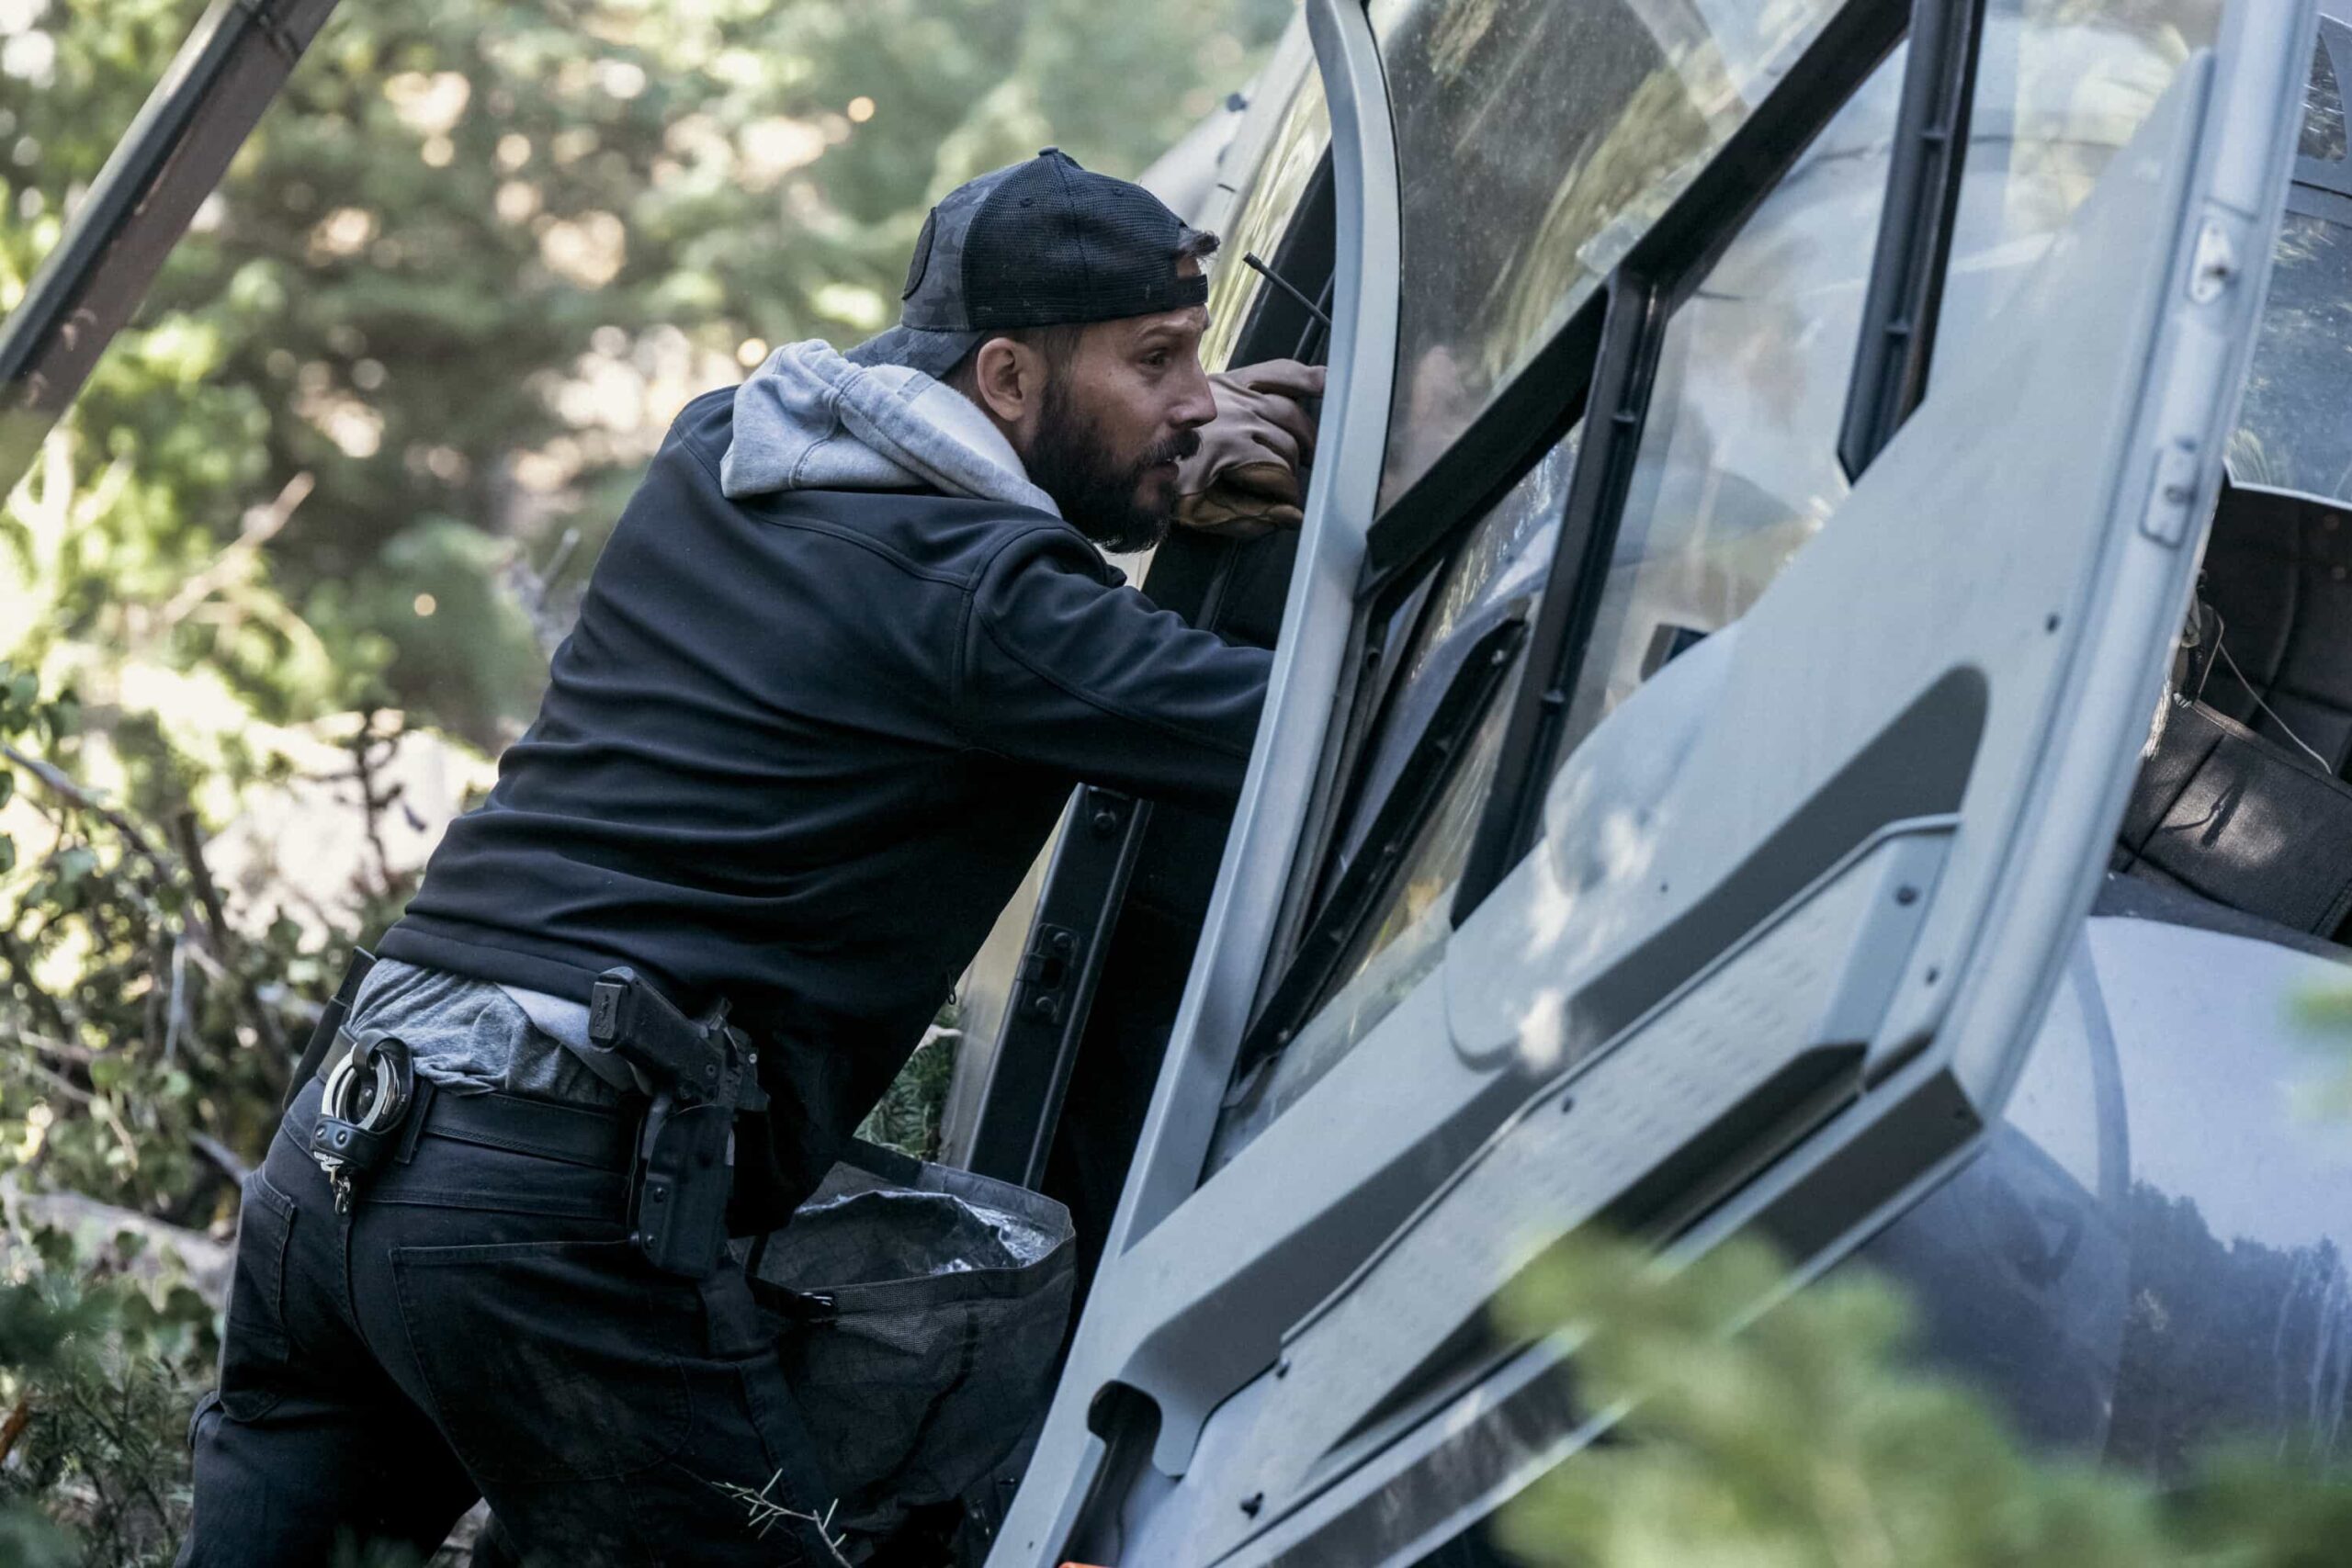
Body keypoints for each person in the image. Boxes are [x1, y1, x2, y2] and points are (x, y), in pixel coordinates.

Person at [178, 148, 1324, 1566]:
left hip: (347, 1142)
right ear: (1011, 382)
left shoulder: (722, 451)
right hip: (547, 1193)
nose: (1201, 398)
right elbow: (1307, 734)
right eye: (1156, 363)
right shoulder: (994, 607)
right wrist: (1363, 485)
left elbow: (926, 558)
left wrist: (1159, 478)